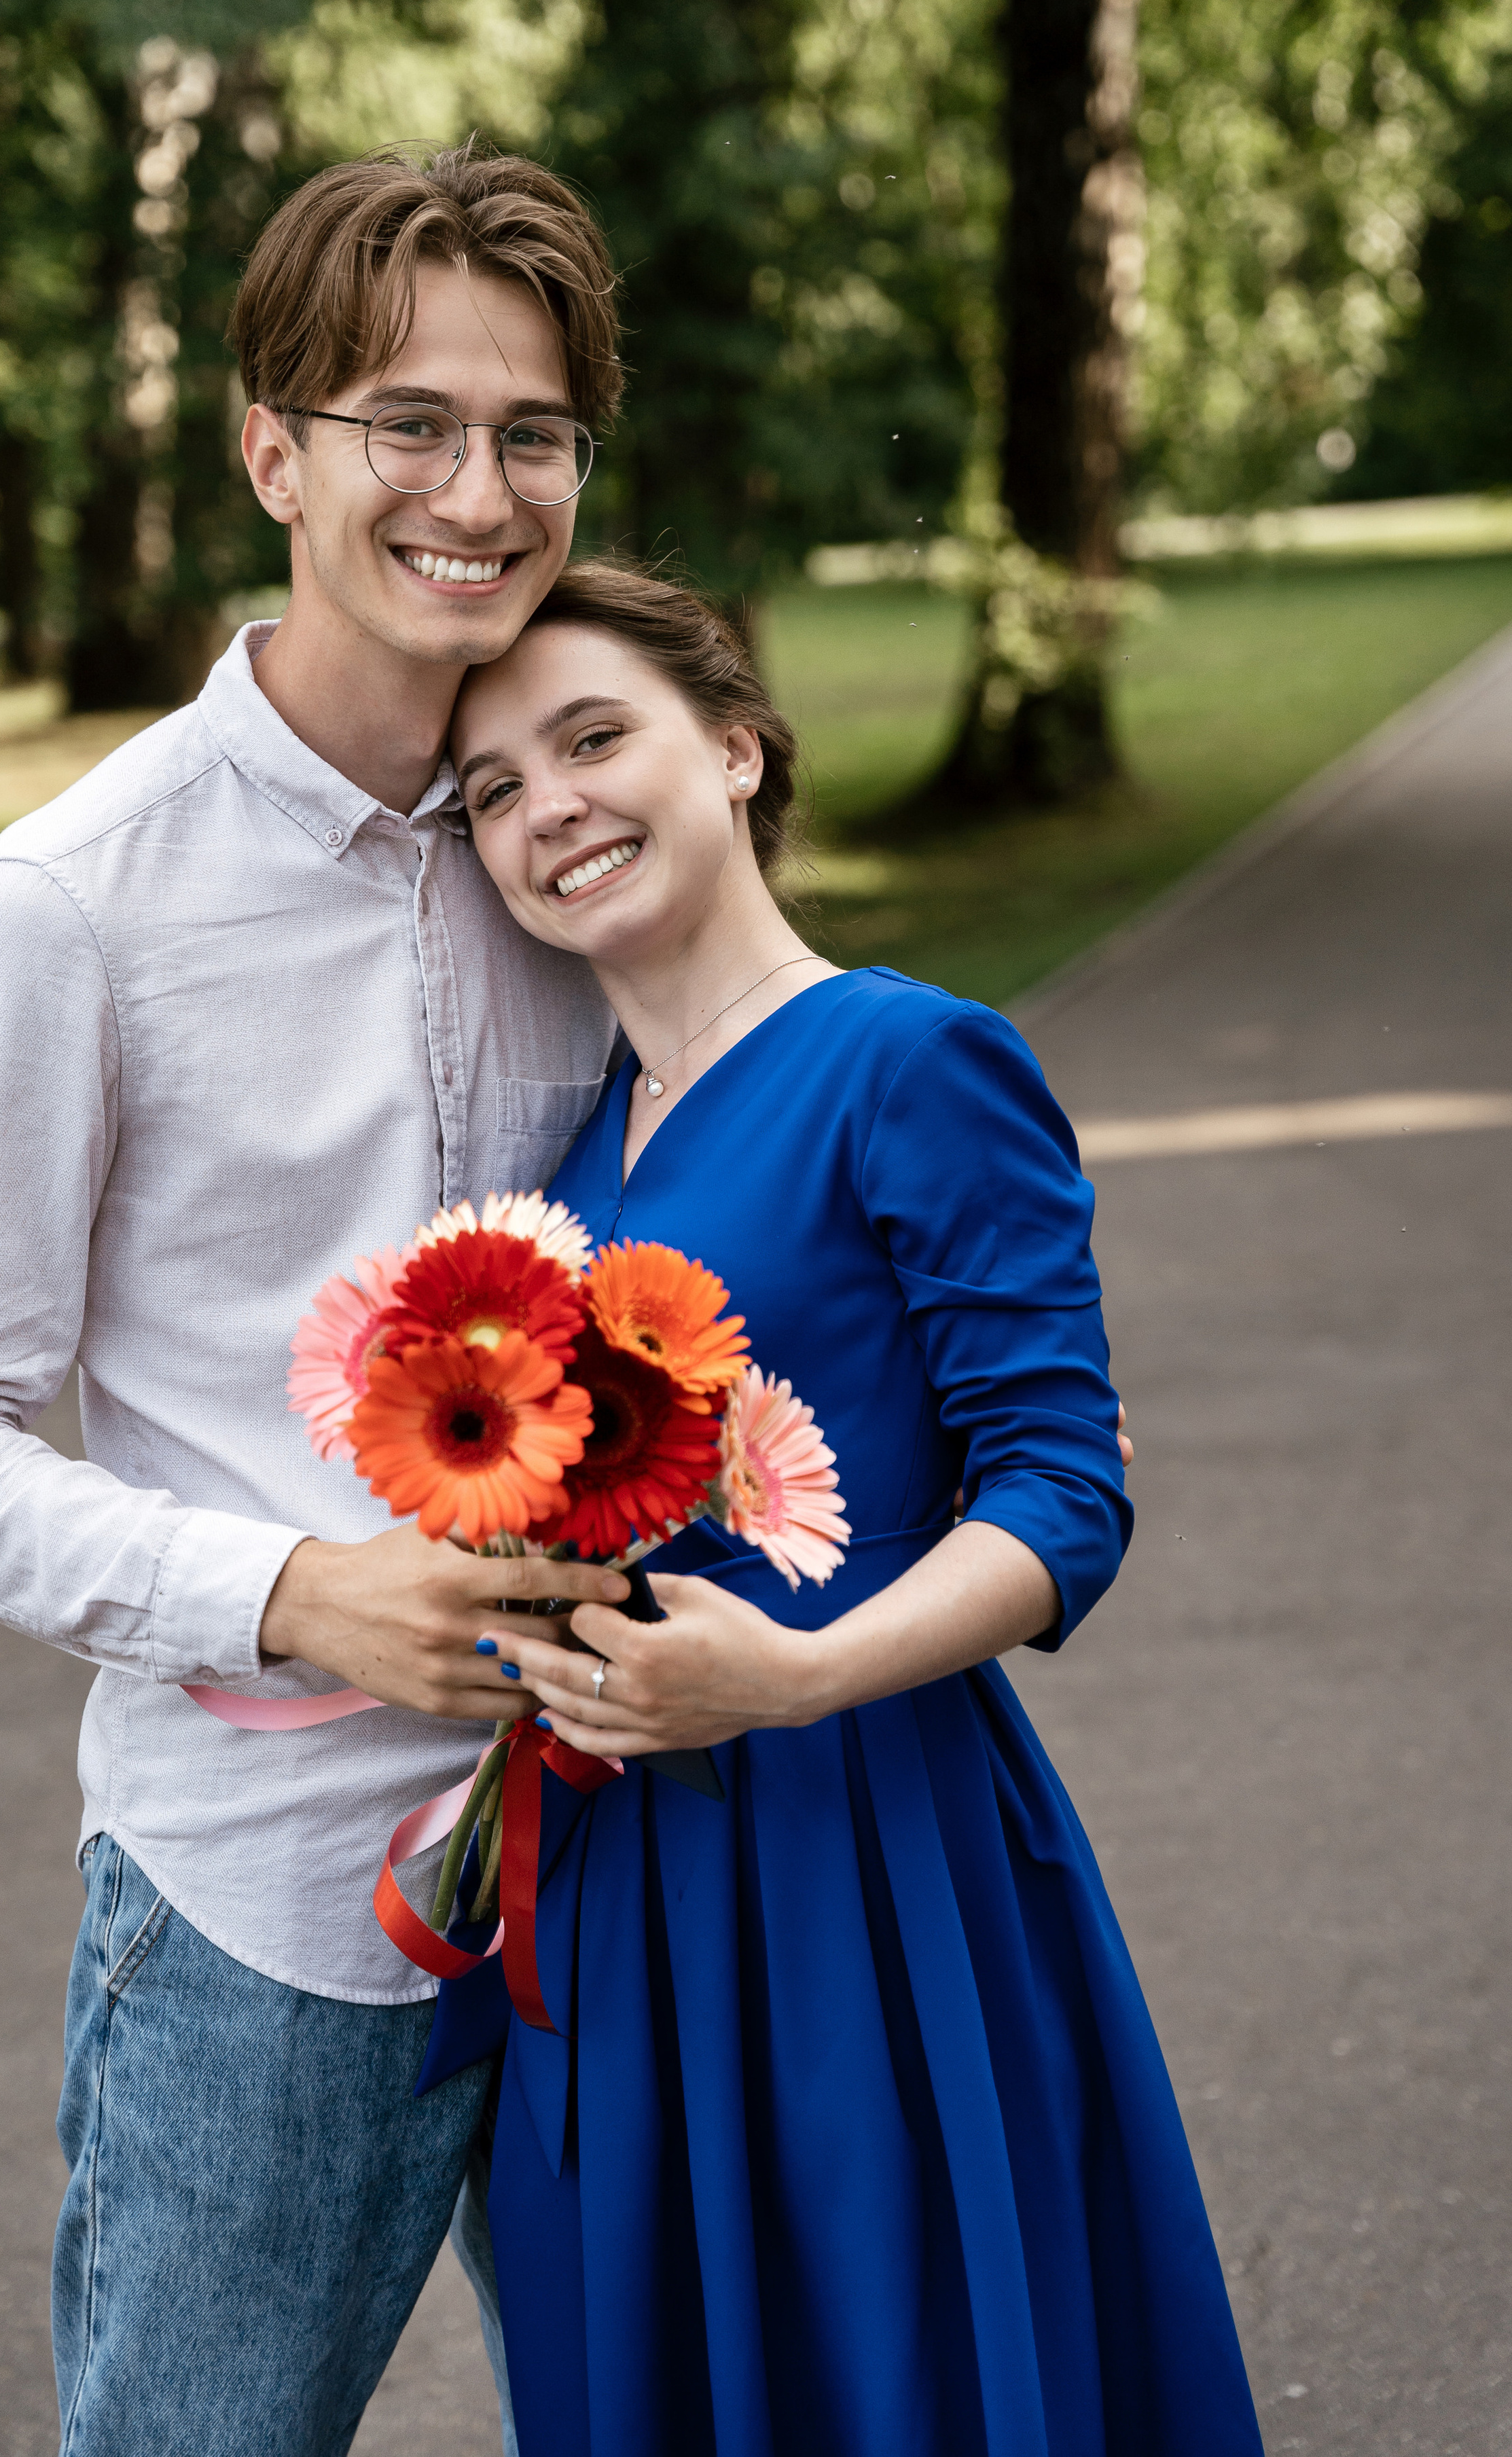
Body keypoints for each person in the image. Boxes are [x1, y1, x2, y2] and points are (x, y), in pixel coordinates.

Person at [0, 144, 639, 2457]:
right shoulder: (69, 909)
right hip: (265, 1915)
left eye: (533, 434)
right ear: (272, 448)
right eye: (409, 420)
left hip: (636, 1860)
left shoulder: (580, 836)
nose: (475, 490)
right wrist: (295, 1589)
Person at [441, 558, 1266, 2456]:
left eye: (592, 739)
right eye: (493, 788)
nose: (548, 805)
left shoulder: (908, 1058)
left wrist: (794, 1678)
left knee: (892, 2366)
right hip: (619, 1872)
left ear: (734, 752)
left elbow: (1066, 1492)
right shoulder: (564, 1150)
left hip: (861, 1850)